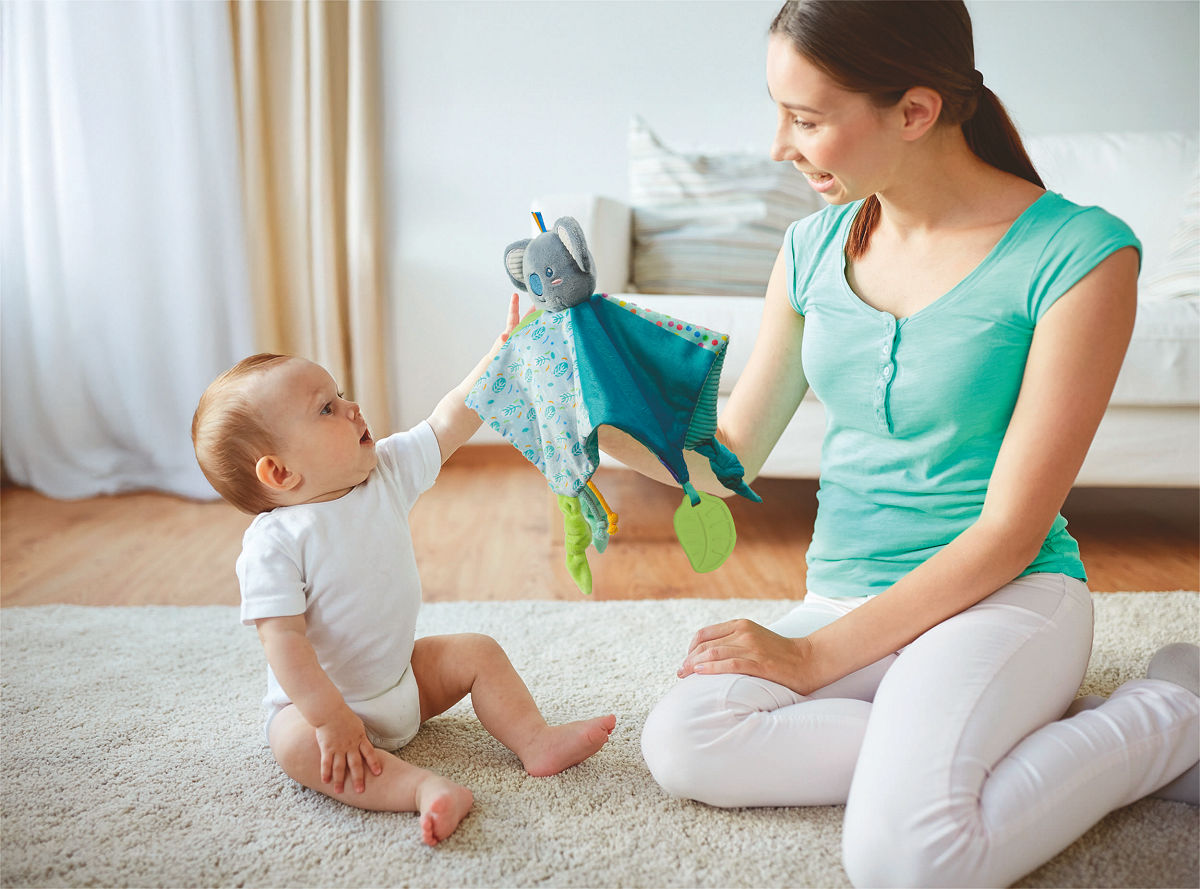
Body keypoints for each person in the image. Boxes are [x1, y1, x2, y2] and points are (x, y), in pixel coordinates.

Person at [601, 2, 1200, 886]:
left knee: (911, 859)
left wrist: (807, 660)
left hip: (1004, 596)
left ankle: (1171, 709)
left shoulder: (1080, 254)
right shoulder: (810, 248)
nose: (780, 146)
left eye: (805, 120)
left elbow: (1008, 531)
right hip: (846, 598)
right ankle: (1002, 737)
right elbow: (727, 457)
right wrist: (587, 408)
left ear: (915, 112)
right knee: (685, 741)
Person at [192, 295, 615, 847]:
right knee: (293, 745)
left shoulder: (384, 472)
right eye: (326, 409)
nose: (352, 406)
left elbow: (450, 418)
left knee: (477, 651)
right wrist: (328, 717)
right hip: (328, 710)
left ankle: (535, 740)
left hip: (403, 683)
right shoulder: (274, 543)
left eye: (340, 394)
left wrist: (503, 355)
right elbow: (285, 644)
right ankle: (421, 789)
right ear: (279, 471)